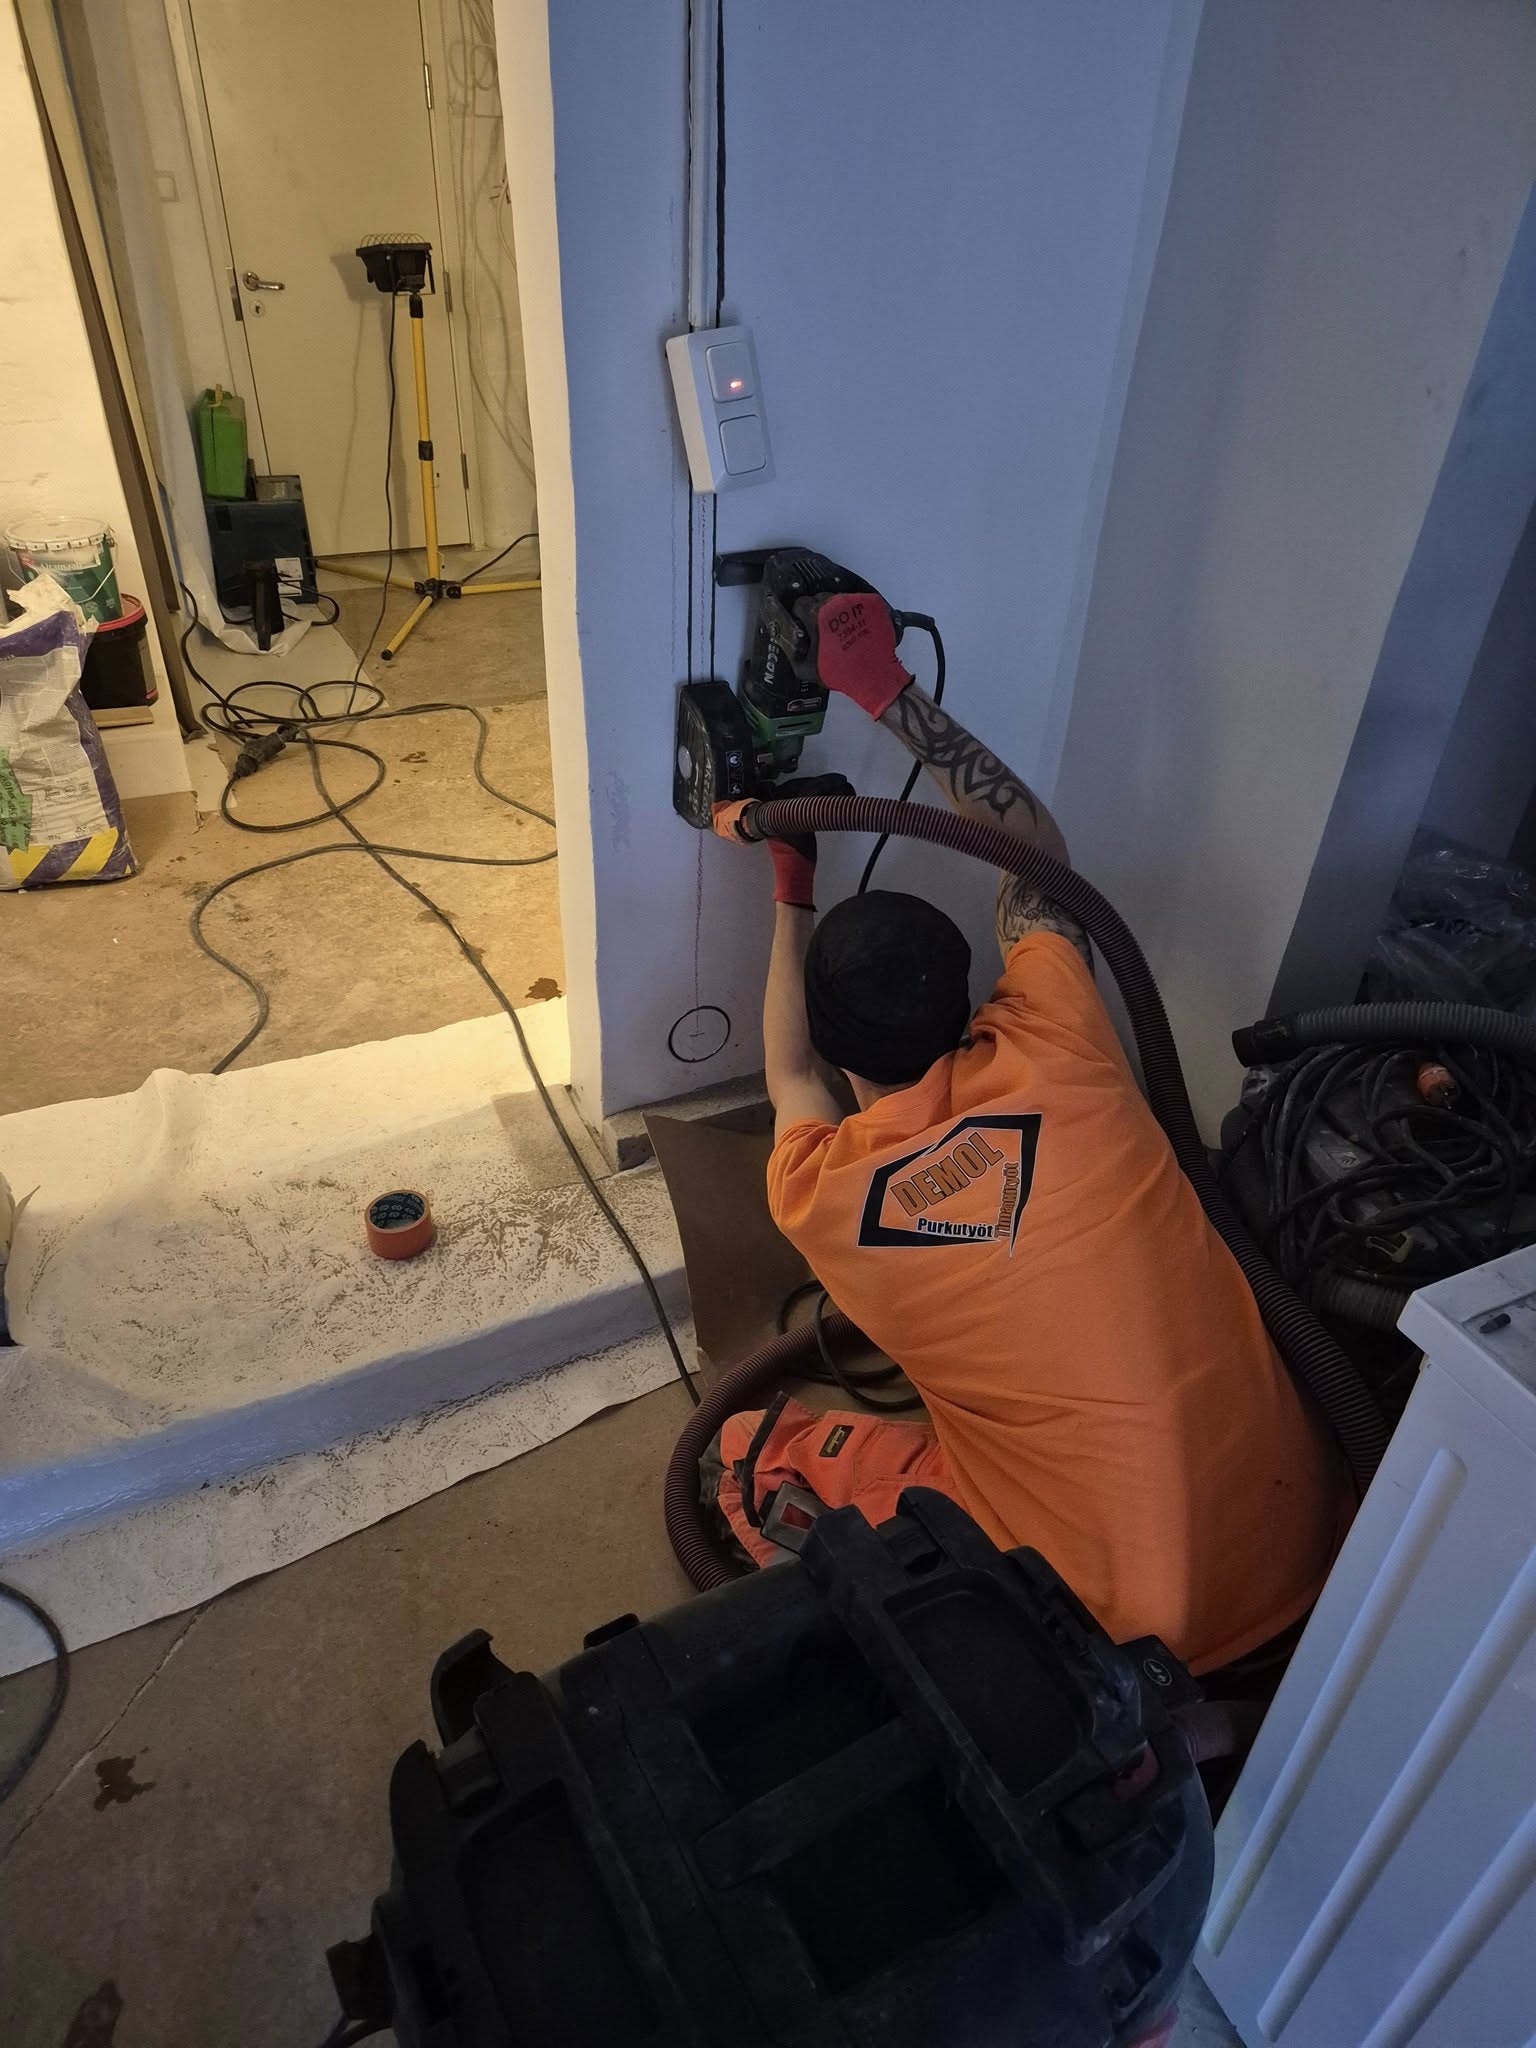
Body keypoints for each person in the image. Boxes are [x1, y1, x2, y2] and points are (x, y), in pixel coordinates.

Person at [710, 587, 1350, 1675]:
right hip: (1309, 1529)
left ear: (834, 1039)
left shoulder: (824, 1193)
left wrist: (789, 879)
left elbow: (787, 1073)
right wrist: (882, 689)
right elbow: (1037, 852)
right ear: (966, 989)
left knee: (746, 1453)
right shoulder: (1059, 1029)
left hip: (1123, 1635)